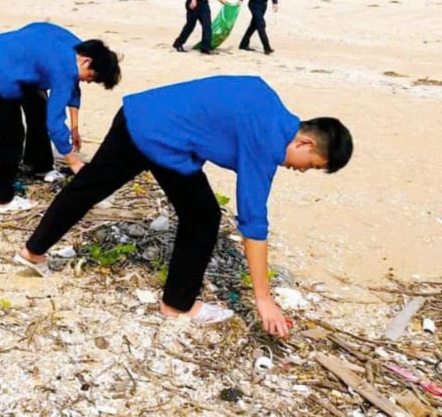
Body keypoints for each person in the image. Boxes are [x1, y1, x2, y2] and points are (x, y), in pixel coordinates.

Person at [17, 75, 353, 337]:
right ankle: (177, 305)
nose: (300, 170)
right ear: (305, 141)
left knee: (87, 188)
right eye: (309, 164)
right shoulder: (266, 142)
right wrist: (264, 299)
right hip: (159, 138)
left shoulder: (268, 100)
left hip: (138, 114)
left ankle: (33, 250)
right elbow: (253, 223)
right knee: (203, 215)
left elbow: (209, 109)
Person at [0, 23, 122, 213]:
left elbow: (36, 27)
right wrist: (74, 162)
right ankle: (2, 200)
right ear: (87, 62)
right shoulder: (65, 71)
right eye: (91, 77)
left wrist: (74, 127)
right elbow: (54, 122)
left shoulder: (73, 44)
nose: (88, 81)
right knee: (13, 138)